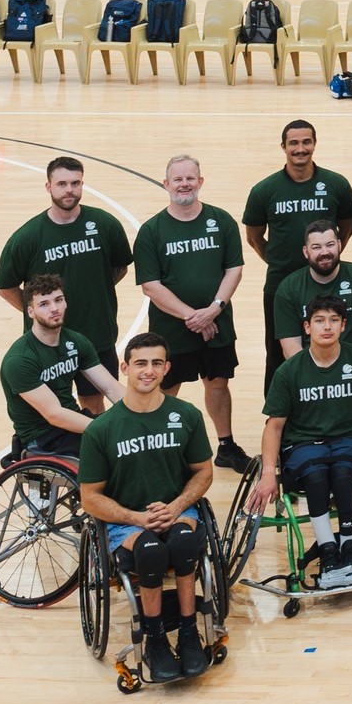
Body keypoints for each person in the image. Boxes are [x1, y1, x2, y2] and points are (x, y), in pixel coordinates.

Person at [76, 333, 215, 683]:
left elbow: (204, 471)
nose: (148, 371)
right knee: (151, 551)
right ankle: (155, 640)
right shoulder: (102, 429)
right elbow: (89, 497)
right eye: (140, 363)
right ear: (124, 368)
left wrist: (178, 504)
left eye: (156, 363)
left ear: (167, 368)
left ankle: (187, 633)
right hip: (127, 521)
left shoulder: (185, 414)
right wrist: (136, 518)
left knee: (183, 544)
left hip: (178, 510)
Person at [248, 295, 352, 590]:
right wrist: (268, 473)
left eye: (334, 321)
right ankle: (327, 549)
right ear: (307, 328)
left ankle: (349, 546)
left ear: (343, 326)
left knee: (343, 471)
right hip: (304, 445)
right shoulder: (289, 371)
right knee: (316, 474)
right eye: (320, 321)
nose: (327, 327)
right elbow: (274, 427)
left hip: (350, 440)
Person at [134, 155, 248, 470]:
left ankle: (225, 445)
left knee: (218, 383)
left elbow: (234, 269)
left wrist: (214, 310)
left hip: (218, 322)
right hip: (172, 330)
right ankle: (164, 451)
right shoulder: (152, 231)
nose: (184, 184)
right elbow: (151, 286)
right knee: (167, 390)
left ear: (200, 181)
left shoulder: (221, 220)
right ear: (166, 184)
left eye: (190, 178)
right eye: (178, 179)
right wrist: (194, 317)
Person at [0, 155, 132, 410]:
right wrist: (38, 312)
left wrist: (95, 288)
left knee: (94, 404)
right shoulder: (27, 237)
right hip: (47, 343)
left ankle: (93, 451)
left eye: (75, 183)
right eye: (61, 184)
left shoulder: (104, 224)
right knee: (53, 406)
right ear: (48, 187)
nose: (69, 190)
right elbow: (6, 287)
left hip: (97, 333)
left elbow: (120, 266)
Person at [243, 119, 352, 389]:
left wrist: (325, 261)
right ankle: (277, 418)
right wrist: (278, 260)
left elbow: (347, 228)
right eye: (294, 143)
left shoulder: (336, 184)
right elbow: (254, 237)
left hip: (327, 285)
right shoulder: (264, 190)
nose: (300, 148)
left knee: (331, 348)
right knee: (277, 354)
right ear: (283, 146)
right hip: (280, 286)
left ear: (314, 144)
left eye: (306, 142)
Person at [0, 274, 121, 459]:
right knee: (117, 449)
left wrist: (143, 412)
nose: (54, 308)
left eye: (58, 300)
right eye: (44, 304)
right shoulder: (20, 360)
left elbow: (111, 388)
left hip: (71, 423)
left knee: (131, 437)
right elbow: (54, 414)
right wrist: (105, 430)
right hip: (43, 436)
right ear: (30, 312)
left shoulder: (75, 341)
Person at [274, 221, 352, 360]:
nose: (324, 252)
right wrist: (315, 374)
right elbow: (291, 347)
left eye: (330, 245)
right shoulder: (288, 288)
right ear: (305, 251)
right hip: (311, 371)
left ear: (339, 245)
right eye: (316, 247)